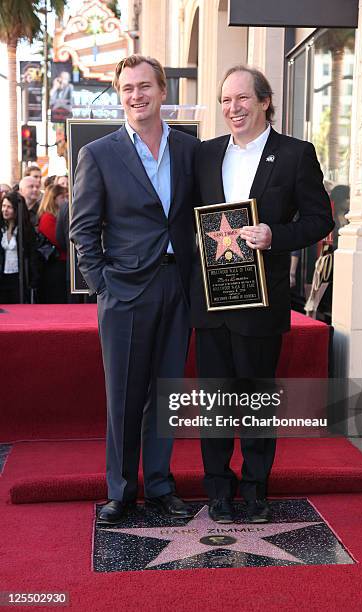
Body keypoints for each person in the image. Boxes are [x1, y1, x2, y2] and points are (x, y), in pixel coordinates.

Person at [191, 65, 334, 524]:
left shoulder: (294, 155)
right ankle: (217, 490)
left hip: (262, 300)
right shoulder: (205, 154)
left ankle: (255, 490)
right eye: (226, 101)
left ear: (265, 101)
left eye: (243, 99)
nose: (233, 108)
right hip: (212, 300)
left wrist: (275, 234)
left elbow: (319, 220)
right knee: (214, 402)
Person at [70, 54, 199, 525]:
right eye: (128, 88)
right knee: (124, 394)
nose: (137, 95)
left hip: (176, 286)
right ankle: (121, 491)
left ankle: (161, 486)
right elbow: (83, 229)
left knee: (164, 393)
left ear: (163, 91)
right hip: (123, 291)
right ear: (120, 95)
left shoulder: (189, 149)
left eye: (145, 86)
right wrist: (103, 286)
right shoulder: (99, 154)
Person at [0, 191, 39, 303]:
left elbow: (31, 254)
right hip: (2, 276)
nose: (5, 210)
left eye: (9, 207)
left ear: (17, 210)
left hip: (19, 277)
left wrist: (33, 278)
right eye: (3, 206)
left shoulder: (25, 230)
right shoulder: (2, 229)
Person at [37, 184, 68, 303]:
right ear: (53, 199)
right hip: (55, 264)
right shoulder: (47, 218)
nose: (65, 200)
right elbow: (59, 240)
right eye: (62, 197)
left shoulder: (56, 216)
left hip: (61, 263)